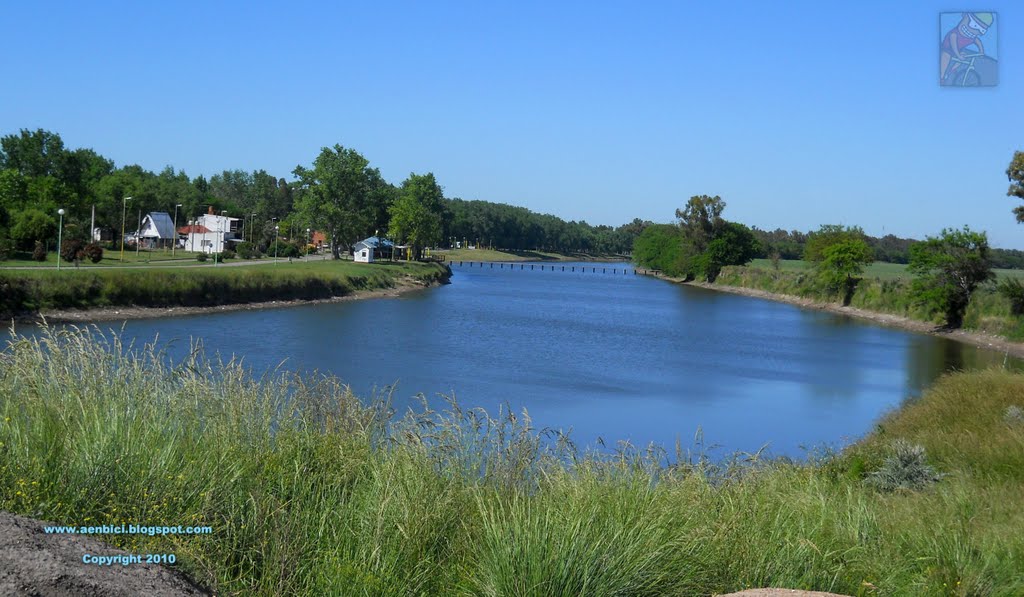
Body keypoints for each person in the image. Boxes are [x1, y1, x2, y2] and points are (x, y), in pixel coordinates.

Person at [940, 12, 993, 84]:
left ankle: (951, 71)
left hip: (958, 50)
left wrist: (981, 51)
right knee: (946, 56)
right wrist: (958, 55)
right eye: (973, 25)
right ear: (964, 16)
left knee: (963, 56)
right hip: (948, 48)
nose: (974, 31)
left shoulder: (972, 37)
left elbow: (978, 41)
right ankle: (942, 76)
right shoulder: (955, 34)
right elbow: (953, 43)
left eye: (981, 30)